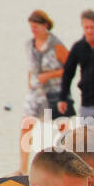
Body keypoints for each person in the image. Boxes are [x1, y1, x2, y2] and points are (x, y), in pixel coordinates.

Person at [19, 9, 68, 173]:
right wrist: (29, 83)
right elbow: (30, 66)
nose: (33, 30)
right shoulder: (29, 44)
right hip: (35, 92)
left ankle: (66, 163)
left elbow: (69, 68)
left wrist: (49, 75)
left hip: (55, 91)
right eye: (31, 27)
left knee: (62, 126)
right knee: (26, 125)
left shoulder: (56, 44)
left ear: (45, 26)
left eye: (36, 27)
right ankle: (23, 168)